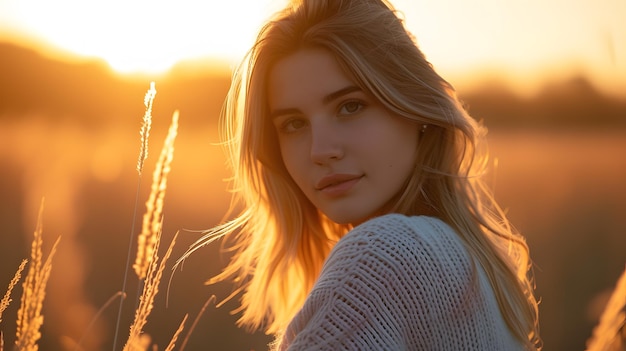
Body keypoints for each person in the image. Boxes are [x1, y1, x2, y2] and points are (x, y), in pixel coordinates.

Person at [182, 0, 541, 349]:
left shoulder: (382, 256)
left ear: (415, 108)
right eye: (293, 124)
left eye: (350, 106)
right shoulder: (463, 257)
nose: (320, 150)